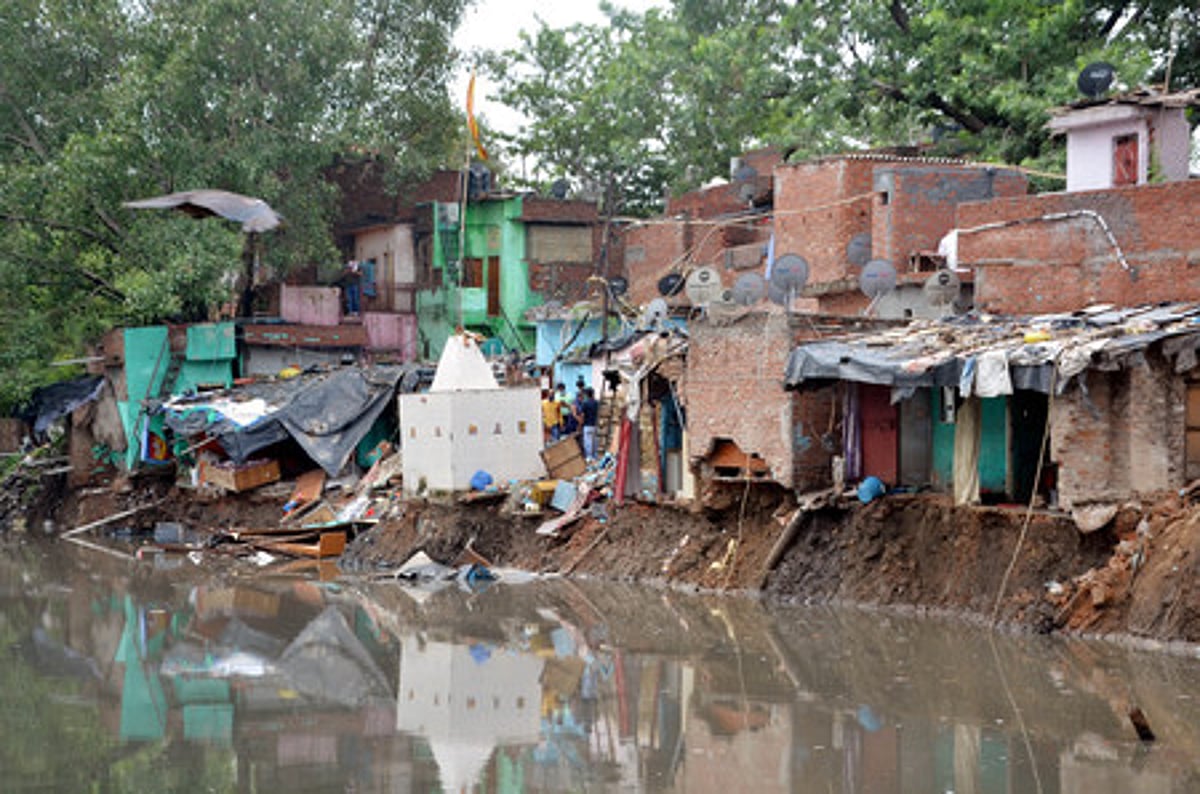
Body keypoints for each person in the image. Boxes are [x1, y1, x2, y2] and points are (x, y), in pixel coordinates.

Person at [579, 387, 599, 460]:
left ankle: (589, 457)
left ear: (586, 394)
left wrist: (580, 424)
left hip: (587, 425)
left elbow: (582, 415)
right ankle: (595, 457)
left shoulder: (585, 403)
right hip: (595, 425)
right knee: (595, 442)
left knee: (588, 442)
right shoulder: (596, 403)